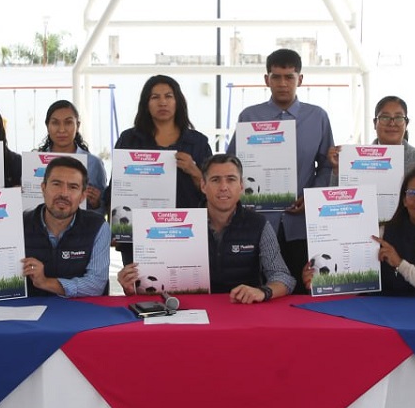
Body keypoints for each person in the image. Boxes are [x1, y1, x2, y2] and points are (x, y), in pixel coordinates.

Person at [116, 154, 296, 303]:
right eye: (216, 180)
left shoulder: (259, 224)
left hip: (242, 310)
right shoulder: (174, 225)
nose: (224, 187)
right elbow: (150, 286)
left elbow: (284, 277)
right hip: (190, 311)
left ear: (241, 186)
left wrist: (262, 292)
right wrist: (131, 285)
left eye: (231, 180)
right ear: (203, 185)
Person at [227, 48, 334, 292]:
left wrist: (311, 197)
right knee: (257, 289)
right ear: (267, 80)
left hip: (301, 224)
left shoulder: (317, 117)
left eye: (289, 77)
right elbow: (233, 165)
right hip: (257, 221)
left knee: (300, 289)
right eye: (276, 77)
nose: (283, 84)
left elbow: (327, 165)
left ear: (300, 80)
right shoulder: (249, 116)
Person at [0, 156, 110, 298]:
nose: (64, 193)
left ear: (83, 195)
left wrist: (46, 282)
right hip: (27, 313)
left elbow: (96, 285)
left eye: (73, 187)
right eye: (56, 184)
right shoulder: (16, 223)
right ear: (43, 188)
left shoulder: (97, 227)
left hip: (80, 313)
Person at [306, 166, 415, 298]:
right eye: (413, 193)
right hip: (380, 320)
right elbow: (356, 283)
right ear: (404, 201)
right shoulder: (381, 233)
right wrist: (319, 281)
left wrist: (400, 264)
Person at [111, 75, 212, 263]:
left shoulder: (198, 142)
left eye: (168, 96)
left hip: (185, 234)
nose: (162, 102)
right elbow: (115, 189)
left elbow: (213, 193)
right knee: (141, 290)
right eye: (155, 97)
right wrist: (116, 228)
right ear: (146, 104)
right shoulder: (129, 140)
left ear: (178, 101)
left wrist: (194, 170)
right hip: (138, 237)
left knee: (186, 289)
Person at [328, 95, 415, 185]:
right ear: (375, 124)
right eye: (385, 117)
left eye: (398, 118)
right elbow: (338, 200)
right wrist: (338, 170)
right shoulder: (353, 159)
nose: (392, 123)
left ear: (406, 124)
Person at [36, 99, 107, 214]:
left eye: (68, 122)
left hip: (82, 230)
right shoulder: (34, 161)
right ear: (47, 125)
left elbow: (103, 209)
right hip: (40, 228)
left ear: (77, 125)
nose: (62, 129)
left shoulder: (93, 163)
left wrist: (96, 203)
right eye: (55, 123)